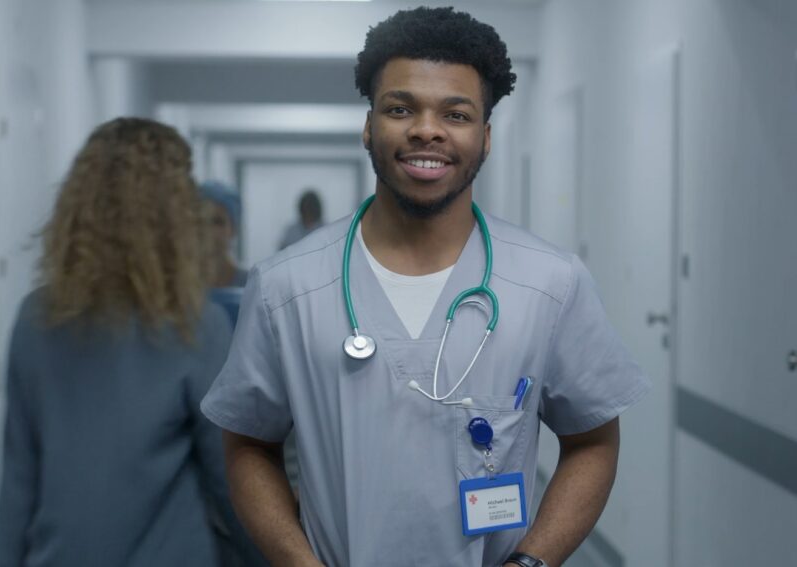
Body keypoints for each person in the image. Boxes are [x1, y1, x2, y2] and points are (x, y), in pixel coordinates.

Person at [201, 7, 649, 567]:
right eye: (400, 108)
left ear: (485, 138)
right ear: (369, 126)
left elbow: (592, 442)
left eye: (455, 113)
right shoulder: (286, 287)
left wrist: (531, 563)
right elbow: (249, 445)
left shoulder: (550, 283)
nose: (426, 129)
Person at [0, 118, 248, 567]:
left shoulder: (35, 320)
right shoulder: (193, 324)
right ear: (173, 215)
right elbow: (230, 480)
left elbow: (18, 482)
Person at [199, 181, 248, 327]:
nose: (208, 231)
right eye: (201, 221)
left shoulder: (252, 285)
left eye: (218, 222)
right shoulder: (183, 287)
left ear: (233, 229)